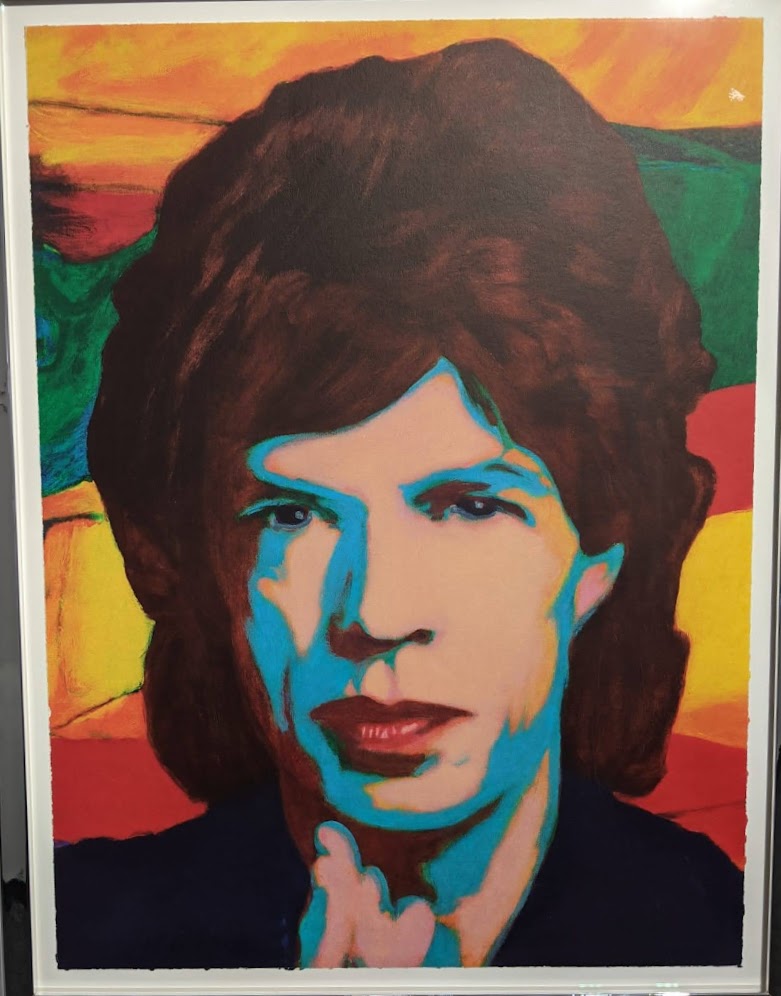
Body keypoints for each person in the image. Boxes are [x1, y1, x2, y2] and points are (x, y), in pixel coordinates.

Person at [54, 38, 743, 970]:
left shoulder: (717, 935)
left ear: (601, 552)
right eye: (291, 515)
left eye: (466, 506)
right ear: (192, 563)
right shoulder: (78, 940)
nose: (376, 614)